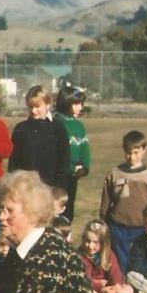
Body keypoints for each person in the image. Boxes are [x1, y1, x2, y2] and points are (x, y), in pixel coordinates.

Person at [100, 130, 147, 275]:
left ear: (144, 150)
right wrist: (104, 222)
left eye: (136, 152)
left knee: (140, 259)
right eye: (128, 152)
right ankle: (122, 285)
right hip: (118, 227)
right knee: (120, 261)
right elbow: (106, 202)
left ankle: (140, 288)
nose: (131, 156)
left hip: (142, 226)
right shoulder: (114, 173)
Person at [9, 85, 70, 193]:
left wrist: (60, 189)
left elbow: (64, 161)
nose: (33, 111)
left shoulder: (58, 128)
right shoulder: (21, 129)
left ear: (48, 104)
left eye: (37, 106)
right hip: (25, 188)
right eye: (30, 107)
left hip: (49, 187)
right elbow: (14, 161)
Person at [77, 219, 141, 293]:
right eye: (88, 241)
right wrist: (99, 286)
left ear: (103, 243)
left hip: (108, 288)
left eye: (95, 242)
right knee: (86, 292)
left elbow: (115, 273)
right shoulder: (81, 256)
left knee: (129, 289)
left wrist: (116, 285)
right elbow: (85, 279)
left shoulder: (109, 254)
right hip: (93, 287)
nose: (91, 246)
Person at [54, 85, 90, 222]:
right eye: (76, 104)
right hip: (59, 177)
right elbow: (57, 154)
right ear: (66, 103)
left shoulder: (79, 126)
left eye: (81, 104)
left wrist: (85, 167)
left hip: (73, 177)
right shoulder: (57, 124)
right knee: (56, 209)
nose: (79, 107)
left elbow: (85, 148)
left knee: (69, 210)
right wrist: (70, 168)